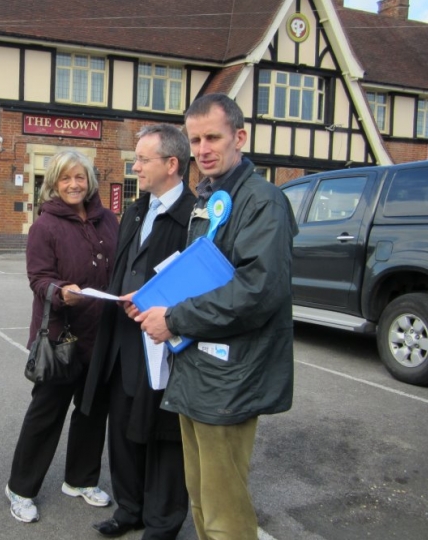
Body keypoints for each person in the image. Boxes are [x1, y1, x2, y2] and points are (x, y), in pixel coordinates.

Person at [135, 94, 298, 540]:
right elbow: (203, 274)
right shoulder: (213, 197)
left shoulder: (262, 201)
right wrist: (155, 297)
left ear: (240, 137)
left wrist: (176, 318)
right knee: (202, 499)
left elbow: (257, 290)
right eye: (195, 139)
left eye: (213, 137)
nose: (203, 148)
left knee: (225, 512)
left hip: (232, 374)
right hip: (200, 369)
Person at [81, 124, 195, 540]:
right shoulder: (134, 209)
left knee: (162, 435)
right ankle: (130, 509)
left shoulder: (193, 215)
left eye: (143, 159)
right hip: (122, 337)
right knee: (123, 427)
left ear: (171, 164)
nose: (135, 166)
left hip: (163, 341)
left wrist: (157, 305)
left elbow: (197, 282)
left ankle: (162, 523)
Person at [4, 150, 119, 524]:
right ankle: (20, 488)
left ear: (90, 182)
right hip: (61, 338)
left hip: (101, 335)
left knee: (91, 412)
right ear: (53, 184)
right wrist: (59, 291)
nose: (73, 185)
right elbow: (38, 278)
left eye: (80, 178)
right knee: (46, 415)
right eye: (65, 179)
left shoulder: (108, 221)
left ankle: (80, 479)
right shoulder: (45, 226)